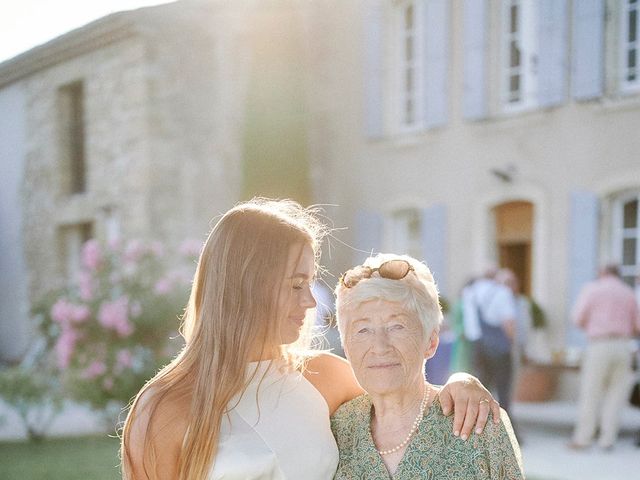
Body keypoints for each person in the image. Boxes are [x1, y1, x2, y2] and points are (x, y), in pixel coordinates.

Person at [120, 198, 500, 480]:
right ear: (246, 286)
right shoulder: (164, 407)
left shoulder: (325, 377)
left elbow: (407, 398)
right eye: (297, 284)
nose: (309, 301)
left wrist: (461, 383)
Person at [331, 253, 524, 479]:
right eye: (363, 330)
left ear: (431, 342)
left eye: (396, 326)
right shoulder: (335, 430)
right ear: (345, 345)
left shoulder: (479, 425)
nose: (379, 347)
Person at [570, 264, 640, 450]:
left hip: (599, 344)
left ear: (602, 272)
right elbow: (637, 326)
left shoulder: (592, 289)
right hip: (623, 346)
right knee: (616, 395)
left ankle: (583, 438)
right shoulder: (628, 292)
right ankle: (607, 440)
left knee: (591, 392)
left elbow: (577, 318)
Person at [463, 267, 518, 416]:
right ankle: (504, 425)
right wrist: (512, 343)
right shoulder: (502, 292)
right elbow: (509, 323)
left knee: (480, 388)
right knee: (502, 389)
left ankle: (478, 424)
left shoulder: (469, 292)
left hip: (475, 345)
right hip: (498, 347)